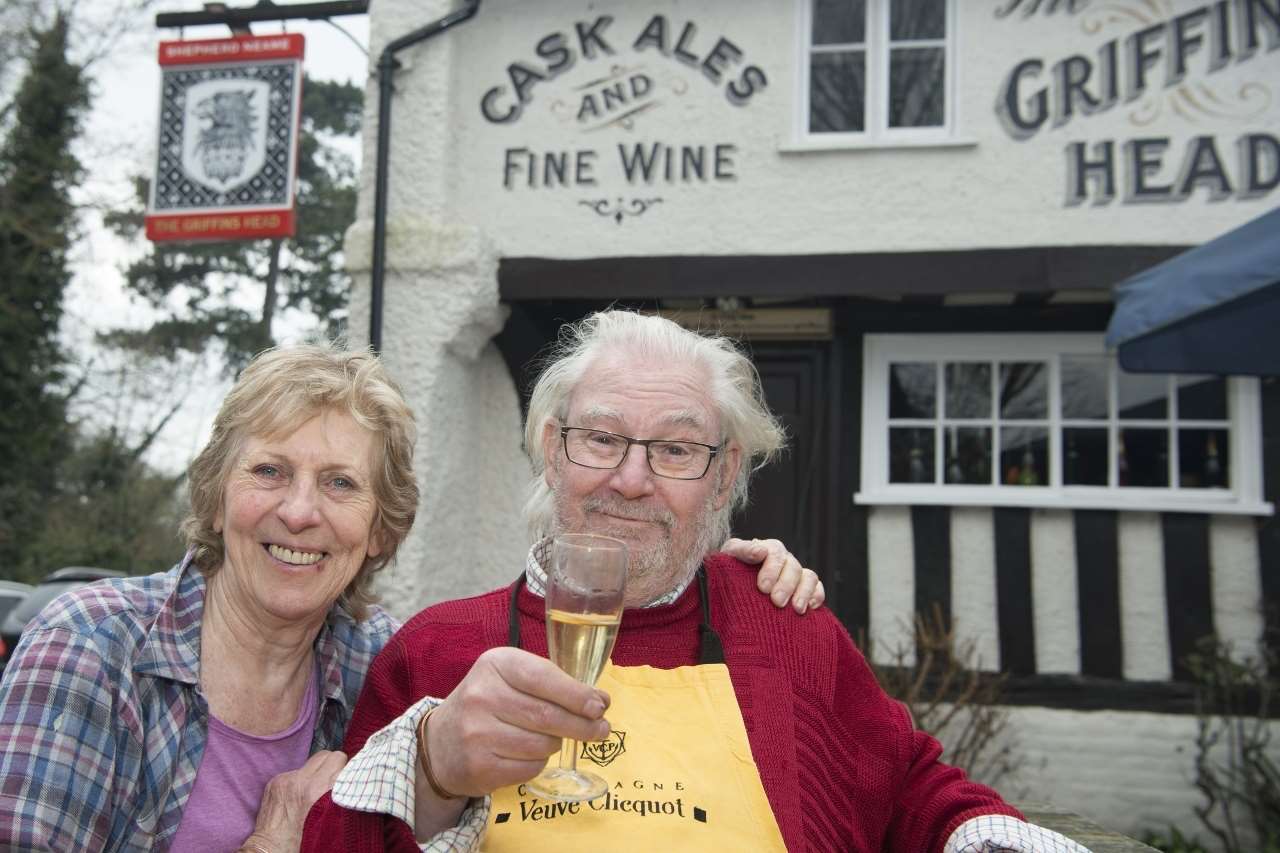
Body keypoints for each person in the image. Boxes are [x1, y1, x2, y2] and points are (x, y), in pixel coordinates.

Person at [296, 311, 1094, 853]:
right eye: (603, 437)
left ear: (724, 476)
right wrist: (433, 770)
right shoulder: (439, 646)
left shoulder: (785, 621)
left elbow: (918, 794)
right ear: (551, 446)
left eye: (676, 451)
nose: (631, 479)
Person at [0, 342, 823, 853]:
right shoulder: (91, 649)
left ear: (381, 526)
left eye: (340, 483)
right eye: (269, 471)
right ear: (217, 492)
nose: (299, 511)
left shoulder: (383, 661)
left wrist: (721, 568)